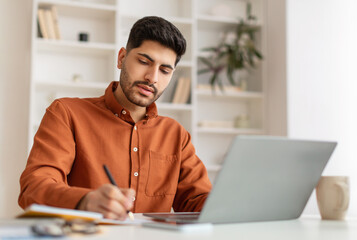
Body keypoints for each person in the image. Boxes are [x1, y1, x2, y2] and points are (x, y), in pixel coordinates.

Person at [18, 16, 212, 220]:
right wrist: (85, 201)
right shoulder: (66, 113)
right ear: (121, 58)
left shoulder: (176, 135)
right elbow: (34, 189)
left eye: (164, 70)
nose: (152, 78)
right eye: (144, 62)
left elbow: (198, 201)